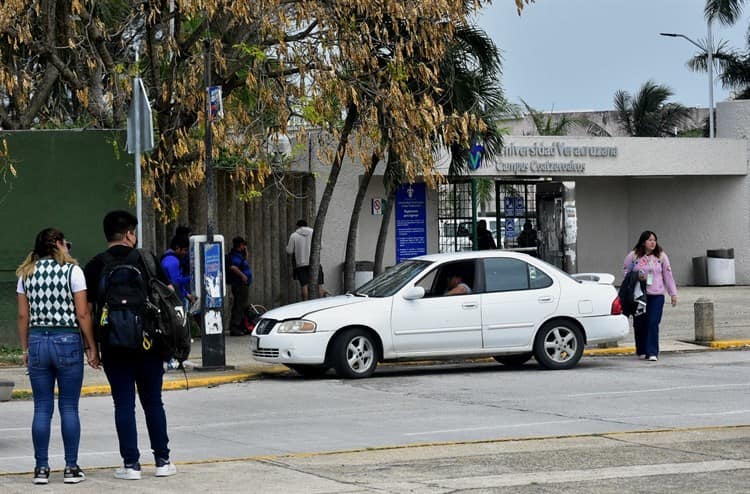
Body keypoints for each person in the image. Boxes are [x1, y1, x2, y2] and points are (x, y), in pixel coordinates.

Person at [83, 210, 177, 480]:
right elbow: (167, 296)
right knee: (153, 402)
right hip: (150, 344)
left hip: (114, 346)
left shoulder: (96, 265)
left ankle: (131, 465)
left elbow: (87, 311)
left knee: (123, 405)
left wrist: (92, 348)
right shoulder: (147, 259)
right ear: (129, 234)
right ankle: (162, 461)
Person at [16, 228, 99, 484]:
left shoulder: (25, 274)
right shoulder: (73, 272)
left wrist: (26, 348)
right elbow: (83, 314)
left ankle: (41, 468)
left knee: (41, 408)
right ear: (60, 244)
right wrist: (91, 346)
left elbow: (22, 316)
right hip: (68, 341)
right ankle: (71, 468)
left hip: (39, 340)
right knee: (69, 407)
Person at [623, 230, 678, 362]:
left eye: (654, 240)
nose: (652, 242)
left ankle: (652, 351)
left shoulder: (661, 257)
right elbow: (626, 272)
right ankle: (641, 349)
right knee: (640, 323)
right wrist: (636, 276)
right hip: (639, 295)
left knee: (653, 322)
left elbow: (668, 275)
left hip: (656, 295)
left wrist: (673, 293)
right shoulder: (634, 256)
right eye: (649, 240)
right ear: (643, 242)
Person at [286, 219, 327, 299]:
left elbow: (289, 251)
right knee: (319, 285)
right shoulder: (314, 232)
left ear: (297, 226)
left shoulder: (294, 235)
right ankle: (321, 302)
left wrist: (287, 247)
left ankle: (306, 303)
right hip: (314, 263)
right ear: (306, 225)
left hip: (301, 264)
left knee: (304, 286)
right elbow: (321, 246)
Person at [227, 236, 252, 336]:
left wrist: (245, 251)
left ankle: (241, 325)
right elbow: (233, 267)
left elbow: (245, 260)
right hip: (240, 284)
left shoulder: (239, 255)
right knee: (239, 305)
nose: (245, 246)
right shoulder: (235, 256)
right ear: (240, 245)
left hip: (242, 284)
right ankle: (235, 326)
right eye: (244, 245)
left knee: (242, 305)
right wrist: (243, 276)